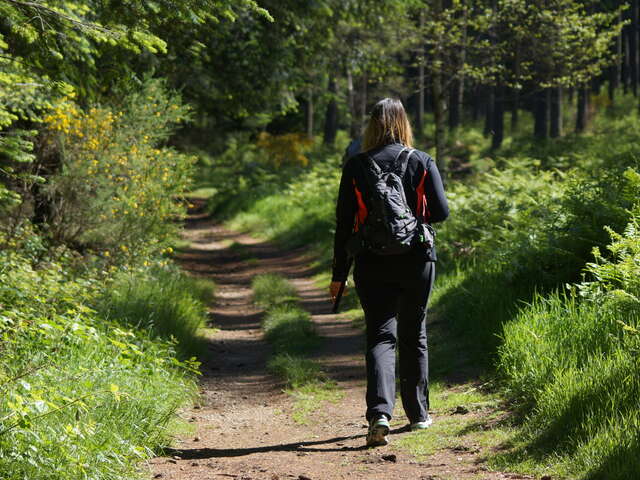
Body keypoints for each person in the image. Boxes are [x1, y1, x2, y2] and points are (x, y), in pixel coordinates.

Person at [329, 98, 449, 447]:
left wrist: (338, 274)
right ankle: (419, 415)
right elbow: (441, 212)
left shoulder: (357, 165)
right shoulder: (422, 161)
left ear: (372, 125)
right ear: (404, 124)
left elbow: (343, 224)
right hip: (418, 258)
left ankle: (380, 414)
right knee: (415, 333)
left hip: (371, 260)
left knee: (381, 335)